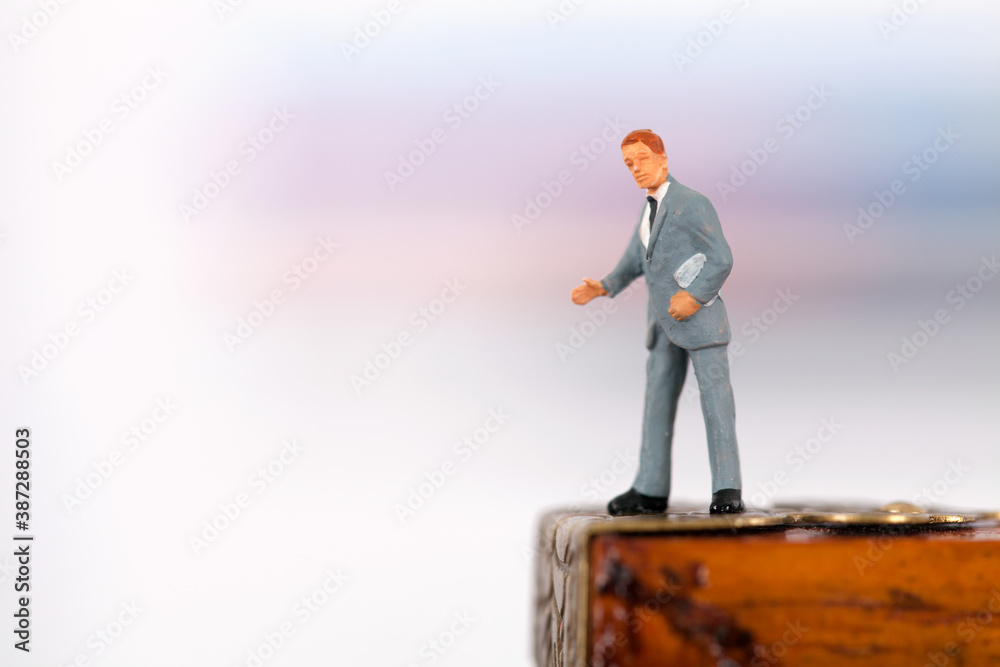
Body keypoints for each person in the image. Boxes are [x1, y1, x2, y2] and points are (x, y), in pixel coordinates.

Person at [571, 129, 744, 515]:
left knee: (716, 405)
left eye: (642, 160)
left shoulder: (692, 203)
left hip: (701, 323)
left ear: (663, 159)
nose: (636, 169)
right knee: (656, 404)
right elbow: (636, 258)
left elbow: (721, 258)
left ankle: (727, 489)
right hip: (662, 324)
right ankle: (650, 488)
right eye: (629, 164)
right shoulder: (646, 210)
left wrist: (694, 296)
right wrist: (605, 285)